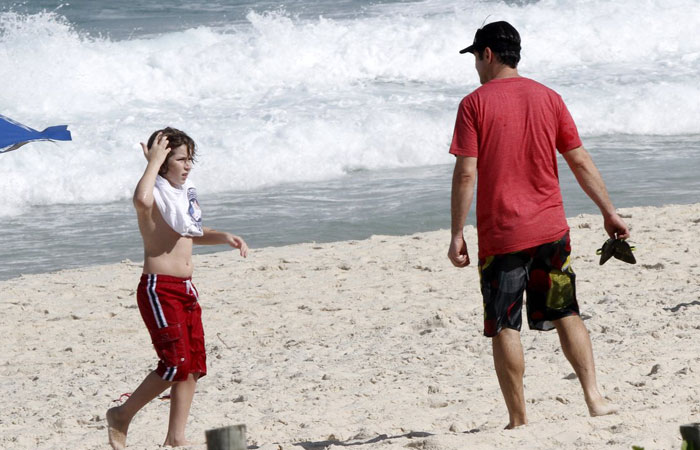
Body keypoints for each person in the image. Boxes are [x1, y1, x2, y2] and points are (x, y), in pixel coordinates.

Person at [447, 21, 629, 429]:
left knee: (504, 323)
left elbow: (465, 174)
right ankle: (595, 399)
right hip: (551, 232)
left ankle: (518, 418)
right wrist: (609, 211)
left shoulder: (474, 104)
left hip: (503, 237)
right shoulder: (549, 97)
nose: (475, 66)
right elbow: (579, 160)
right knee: (566, 310)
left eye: (475, 57)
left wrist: (457, 232)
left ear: (488, 54)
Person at [107, 128, 248, 448]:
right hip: (160, 289)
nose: (188, 166)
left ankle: (175, 439)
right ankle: (121, 415)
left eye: (190, 159)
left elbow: (192, 233)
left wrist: (223, 236)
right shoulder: (153, 193)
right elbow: (139, 200)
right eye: (181, 159)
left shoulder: (181, 195)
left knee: (194, 366)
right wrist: (152, 163)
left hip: (186, 289)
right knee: (175, 364)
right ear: (163, 162)